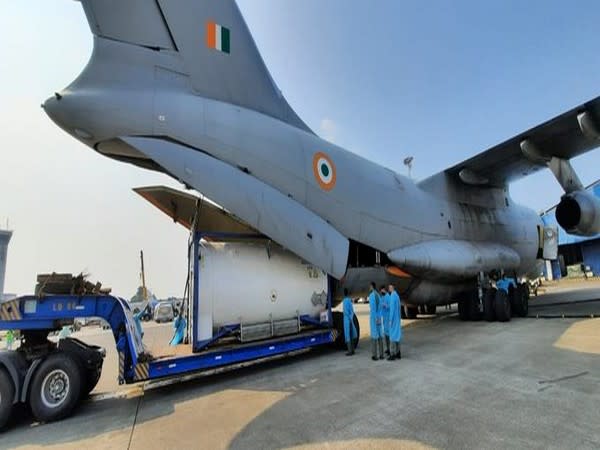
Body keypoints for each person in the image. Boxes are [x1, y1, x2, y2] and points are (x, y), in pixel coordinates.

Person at [368, 282, 383, 360]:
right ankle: (381, 355)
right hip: (379, 318)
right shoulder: (379, 295)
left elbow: (373, 308)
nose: (369, 288)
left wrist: (375, 319)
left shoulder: (371, 296)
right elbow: (380, 308)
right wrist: (379, 318)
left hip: (374, 319)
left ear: (372, 287)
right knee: (380, 336)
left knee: (374, 337)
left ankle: (375, 355)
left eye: (369, 286)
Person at [388, 284, 402, 360]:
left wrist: (390, 320)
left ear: (391, 288)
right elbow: (399, 308)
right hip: (397, 319)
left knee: (392, 337)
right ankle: (398, 353)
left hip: (393, 320)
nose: (389, 289)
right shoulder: (397, 296)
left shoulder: (392, 296)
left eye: (389, 287)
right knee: (397, 336)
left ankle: (392, 354)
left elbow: (392, 310)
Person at [342, 288, 357, 356]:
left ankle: (349, 351)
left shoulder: (344, 301)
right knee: (351, 334)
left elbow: (345, 311)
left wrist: (347, 317)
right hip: (351, 319)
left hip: (346, 319)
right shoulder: (349, 300)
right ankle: (353, 350)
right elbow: (352, 311)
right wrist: (351, 318)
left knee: (347, 335)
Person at [380, 285, 391, 357]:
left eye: (382, 290)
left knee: (389, 335)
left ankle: (390, 349)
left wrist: (385, 305)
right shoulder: (382, 297)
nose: (381, 292)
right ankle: (387, 348)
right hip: (384, 318)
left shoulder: (388, 297)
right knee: (386, 335)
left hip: (388, 317)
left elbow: (390, 306)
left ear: (384, 290)